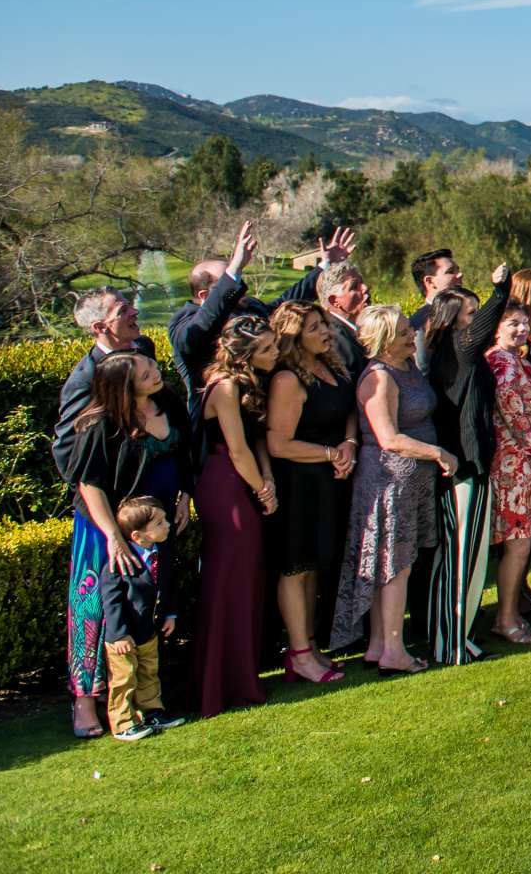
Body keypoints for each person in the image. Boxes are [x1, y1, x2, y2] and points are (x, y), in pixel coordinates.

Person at [65, 352, 190, 739]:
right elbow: (89, 484)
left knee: (151, 605)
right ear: (123, 385)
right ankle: (104, 705)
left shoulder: (166, 400)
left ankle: (152, 704)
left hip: (160, 524)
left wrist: (184, 496)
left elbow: (185, 452)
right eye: (146, 373)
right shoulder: (100, 425)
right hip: (121, 529)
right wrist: (114, 537)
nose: (157, 373)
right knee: (105, 610)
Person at [333, 305, 447, 673]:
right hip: (389, 481)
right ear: (382, 343)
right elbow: (390, 438)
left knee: (396, 563)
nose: (409, 335)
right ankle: (394, 651)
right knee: (395, 565)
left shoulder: (407, 366)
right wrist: (438, 452)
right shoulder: (379, 377)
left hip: (412, 480)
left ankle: (380, 644)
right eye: (401, 333)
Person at [265, 301, 356, 681]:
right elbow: (278, 444)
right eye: (315, 327)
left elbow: (349, 411)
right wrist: (329, 453)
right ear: (293, 337)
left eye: (324, 324)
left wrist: (350, 444)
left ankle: (311, 645)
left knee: (315, 565)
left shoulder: (332, 366)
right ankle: (298, 652)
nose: (326, 332)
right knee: (295, 566)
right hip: (300, 482)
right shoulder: (287, 379)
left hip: (331, 478)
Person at [196, 315, 276, 717]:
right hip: (224, 482)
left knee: (247, 577)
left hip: (241, 476)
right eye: (266, 349)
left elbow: (256, 439)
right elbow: (238, 448)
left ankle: (244, 677)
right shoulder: (224, 387)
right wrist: (262, 488)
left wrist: (267, 479)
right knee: (228, 578)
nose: (275, 353)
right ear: (243, 356)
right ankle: (218, 685)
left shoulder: (247, 384)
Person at [172, 221, 341, 409]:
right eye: (227, 279)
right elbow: (194, 336)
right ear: (204, 296)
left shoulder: (249, 305)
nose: (238, 286)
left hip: (265, 406)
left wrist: (325, 265)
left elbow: (286, 304)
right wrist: (233, 270)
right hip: (222, 419)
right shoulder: (184, 321)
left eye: (238, 275)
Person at [419, 285, 499, 665]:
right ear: (453, 320)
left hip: (475, 464)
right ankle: (448, 643)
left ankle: (459, 636)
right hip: (461, 467)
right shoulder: (456, 348)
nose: (476, 321)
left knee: (471, 557)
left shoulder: (462, 351)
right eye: (471, 313)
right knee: (459, 557)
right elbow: (482, 331)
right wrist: (501, 291)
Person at [484, 298, 531, 644]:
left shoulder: (518, 361)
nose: (522, 329)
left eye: (524, 323)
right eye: (513, 324)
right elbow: (515, 417)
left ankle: (512, 611)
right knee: (517, 545)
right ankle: (504, 616)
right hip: (515, 465)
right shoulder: (499, 363)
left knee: (523, 544)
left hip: (527, 461)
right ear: (496, 328)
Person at [54, 290, 154, 491]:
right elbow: (66, 449)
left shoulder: (144, 347)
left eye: (130, 305)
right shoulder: (86, 380)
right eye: (123, 310)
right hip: (121, 492)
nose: (135, 312)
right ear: (100, 327)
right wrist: (99, 497)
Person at [100, 497, 180, 741]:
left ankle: (152, 711)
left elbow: (169, 587)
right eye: (159, 523)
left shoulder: (162, 554)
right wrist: (119, 633)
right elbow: (111, 601)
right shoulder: (119, 563)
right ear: (137, 535)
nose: (167, 525)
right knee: (123, 677)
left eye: (165, 520)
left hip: (149, 630)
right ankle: (123, 722)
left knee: (148, 672)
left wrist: (170, 614)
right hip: (123, 636)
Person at [314, 260, 374, 380]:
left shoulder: (358, 330)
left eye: (362, 282)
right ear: (334, 301)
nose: (365, 288)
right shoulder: (334, 341)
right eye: (354, 286)